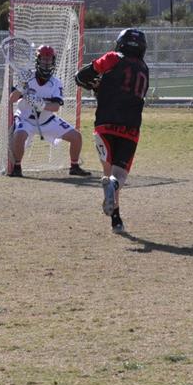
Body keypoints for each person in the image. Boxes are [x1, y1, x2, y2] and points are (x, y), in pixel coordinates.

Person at [75, 28, 149, 233]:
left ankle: (115, 217)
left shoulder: (113, 57)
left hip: (105, 124)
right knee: (119, 176)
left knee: (108, 173)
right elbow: (125, 90)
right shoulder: (144, 68)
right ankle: (116, 219)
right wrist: (102, 86)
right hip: (131, 127)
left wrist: (94, 83)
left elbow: (83, 76)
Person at [8, 44, 91, 178]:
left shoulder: (56, 82)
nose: (46, 63)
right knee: (19, 135)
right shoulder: (27, 77)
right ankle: (17, 167)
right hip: (25, 119)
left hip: (47, 120)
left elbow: (56, 107)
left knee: (76, 137)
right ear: (38, 60)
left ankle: (74, 167)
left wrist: (41, 104)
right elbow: (12, 99)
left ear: (53, 61)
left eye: (49, 59)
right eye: (43, 59)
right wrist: (20, 86)